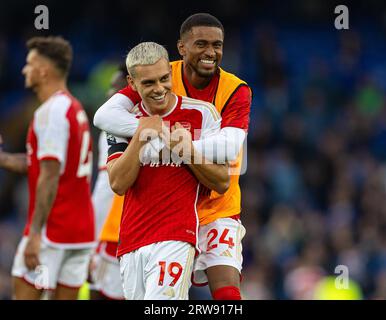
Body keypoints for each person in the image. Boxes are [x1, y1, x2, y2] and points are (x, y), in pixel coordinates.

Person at [93, 13, 251, 300]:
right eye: (201, 44)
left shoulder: (234, 90)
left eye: (217, 45)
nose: (210, 52)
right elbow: (104, 115)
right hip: (154, 217)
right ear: (181, 47)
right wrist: (152, 133)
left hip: (215, 205)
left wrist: (181, 144)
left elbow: (229, 147)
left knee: (227, 294)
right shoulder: (158, 72)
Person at [0, 36, 95, 300]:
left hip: (52, 231)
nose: (24, 70)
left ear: (44, 70)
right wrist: (4, 159)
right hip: (80, 232)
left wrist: (34, 234)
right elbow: (47, 165)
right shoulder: (73, 109)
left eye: (29, 64)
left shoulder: (50, 113)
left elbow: (50, 176)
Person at [89, 65, 128, 300]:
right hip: (152, 235)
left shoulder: (113, 126)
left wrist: (92, 239)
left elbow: (106, 189)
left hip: (115, 233)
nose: (108, 94)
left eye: (114, 87)